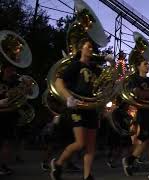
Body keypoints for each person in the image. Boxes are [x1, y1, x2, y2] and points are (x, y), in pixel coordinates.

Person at [50, 38, 101, 180]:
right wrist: (68, 98)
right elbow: (59, 82)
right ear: (81, 49)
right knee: (80, 143)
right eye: (89, 47)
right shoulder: (75, 65)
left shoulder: (95, 68)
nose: (91, 49)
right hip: (77, 106)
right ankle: (59, 164)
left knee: (91, 146)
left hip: (91, 107)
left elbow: (107, 83)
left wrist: (114, 65)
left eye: (92, 47)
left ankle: (87, 176)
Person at [121, 54, 149, 179]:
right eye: (145, 64)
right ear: (138, 66)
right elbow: (138, 93)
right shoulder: (135, 78)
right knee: (145, 140)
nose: (148, 66)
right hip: (142, 112)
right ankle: (129, 160)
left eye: (148, 64)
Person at [0, 65, 20, 176]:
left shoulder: (15, 83)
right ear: (3, 70)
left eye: (12, 70)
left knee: (7, 143)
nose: (11, 72)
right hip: (3, 113)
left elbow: (25, 96)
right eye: (8, 70)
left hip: (8, 117)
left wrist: (27, 88)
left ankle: (3, 166)